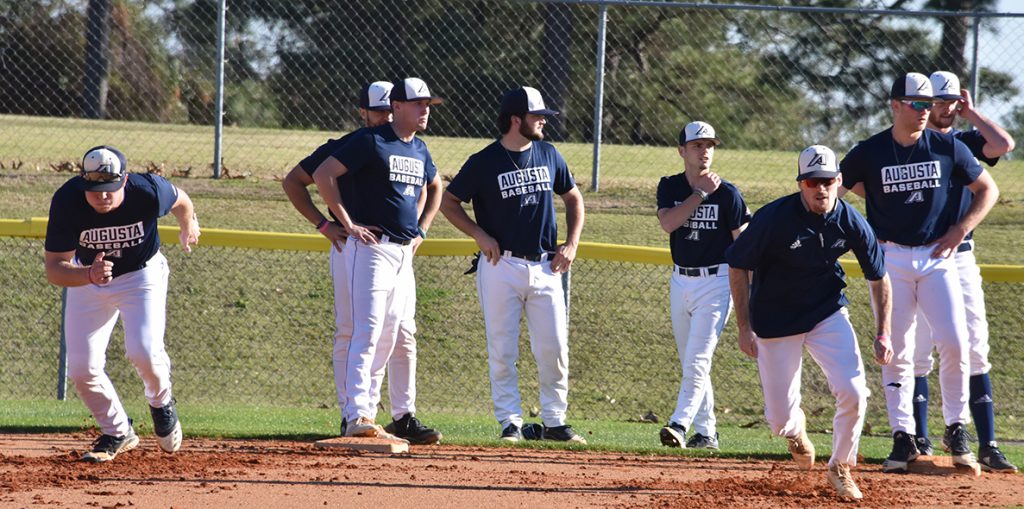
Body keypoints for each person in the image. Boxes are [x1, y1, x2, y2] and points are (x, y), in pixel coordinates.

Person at [839, 72, 998, 473]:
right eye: (918, 104)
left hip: (935, 257)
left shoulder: (947, 146)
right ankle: (902, 436)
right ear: (895, 105)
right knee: (896, 349)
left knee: (956, 342)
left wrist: (960, 229)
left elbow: (987, 189)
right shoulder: (870, 151)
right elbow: (838, 189)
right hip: (890, 258)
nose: (926, 111)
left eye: (929, 104)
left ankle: (957, 428)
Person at [726, 145, 893, 500]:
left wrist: (883, 332)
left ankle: (841, 466)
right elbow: (738, 265)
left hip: (826, 311)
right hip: (775, 319)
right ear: (801, 183)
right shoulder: (773, 218)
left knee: (854, 392)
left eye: (828, 181)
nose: (820, 188)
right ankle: (796, 431)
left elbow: (878, 277)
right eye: (811, 181)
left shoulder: (849, 220)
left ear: (839, 181)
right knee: (779, 420)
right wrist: (744, 327)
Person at [283, 82, 441, 444]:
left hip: (400, 250)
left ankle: (374, 412)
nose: (385, 115)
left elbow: (433, 185)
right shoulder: (361, 143)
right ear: (366, 112)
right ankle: (354, 413)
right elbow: (307, 178)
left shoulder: (416, 147)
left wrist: (421, 228)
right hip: (364, 247)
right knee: (359, 330)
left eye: (426, 104)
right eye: (381, 109)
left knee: (392, 333)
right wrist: (331, 224)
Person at [440, 86, 586, 443]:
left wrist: (571, 243)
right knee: (503, 349)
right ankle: (510, 422)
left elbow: (573, 198)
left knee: (553, 348)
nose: (543, 122)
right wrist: (479, 235)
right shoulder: (484, 161)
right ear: (515, 119)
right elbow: (449, 202)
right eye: (537, 116)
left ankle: (554, 421)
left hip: (545, 266)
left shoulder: (549, 153)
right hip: (500, 265)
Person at [44, 146, 200, 462]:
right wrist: (88, 273)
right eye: (95, 189)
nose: (102, 196)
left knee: (142, 350)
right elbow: (54, 269)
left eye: (110, 189)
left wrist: (188, 224)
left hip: (141, 277)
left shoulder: (147, 190)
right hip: (88, 279)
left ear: (125, 180)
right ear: (83, 182)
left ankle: (161, 400)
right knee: (81, 368)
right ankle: (117, 431)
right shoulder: (67, 200)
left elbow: (181, 199)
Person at [908, 71, 1016, 472]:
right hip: (919, 254)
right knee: (917, 351)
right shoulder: (914, 143)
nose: (946, 106)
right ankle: (918, 437)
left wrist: (972, 113)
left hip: (961, 254)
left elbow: (1004, 144)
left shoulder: (967, 142)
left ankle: (986, 444)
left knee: (974, 347)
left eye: (952, 100)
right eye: (938, 99)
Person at [655, 121, 750, 450]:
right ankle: (707, 432)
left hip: (718, 282)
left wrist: (750, 294)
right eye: (697, 145)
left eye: (709, 145)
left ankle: (679, 423)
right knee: (692, 361)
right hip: (681, 280)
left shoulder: (729, 194)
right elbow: (669, 223)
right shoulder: (670, 186)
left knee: (697, 359)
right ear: (681, 151)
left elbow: (745, 246)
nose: (704, 151)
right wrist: (699, 194)